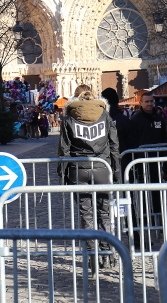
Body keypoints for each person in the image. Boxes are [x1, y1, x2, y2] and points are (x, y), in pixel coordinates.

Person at [58, 84, 120, 273]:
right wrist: (117, 173)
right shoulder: (105, 116)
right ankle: (108, 253)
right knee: (104, 212)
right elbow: (114, 146)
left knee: (86, 214)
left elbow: (64, 150)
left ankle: (92, 257)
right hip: (103, 168)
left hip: (79, 169)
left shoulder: (69, 118)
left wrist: (63, 175)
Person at [124, 92, 167, 247]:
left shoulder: (159, 118)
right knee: (142, 197)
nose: (150, 104)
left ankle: (159, 224)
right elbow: (132, 141)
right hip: (141, 164)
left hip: (156, 163)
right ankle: (144, 224)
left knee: (157, 195)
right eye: (147, 101)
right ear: (141, 103)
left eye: (151, 101)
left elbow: (164, 138)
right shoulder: (135, 120)